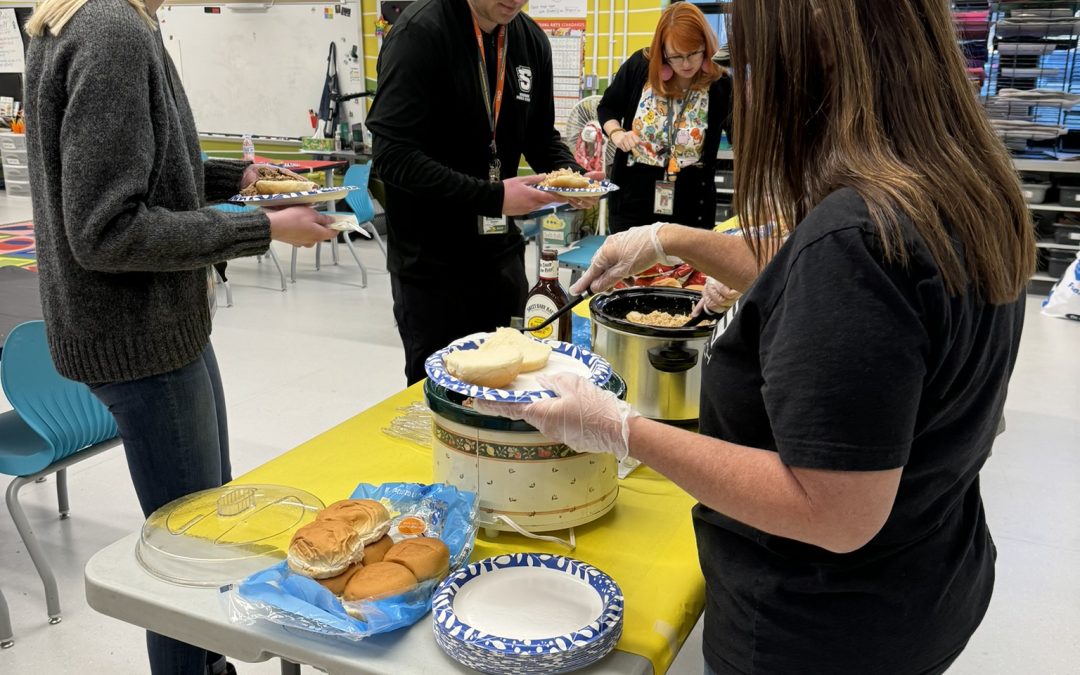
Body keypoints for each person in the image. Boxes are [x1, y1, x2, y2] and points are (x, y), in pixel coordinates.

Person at [476, 1, 1036, 673]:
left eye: (753, 60)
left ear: (817, 51)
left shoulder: (856, 240)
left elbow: (835, 510)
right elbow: (824, 274)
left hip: (816, 632)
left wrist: (619, 428)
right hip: (927, 582)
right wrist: (672, 239)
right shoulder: (957, 181)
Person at [23, 0, 338, 672]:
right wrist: (263, 228)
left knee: (208, 533)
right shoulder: (110, 33)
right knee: (189, 562)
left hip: (156, 334)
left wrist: (237, 178)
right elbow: (108, 229)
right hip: (142, 340)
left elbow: (144, 160)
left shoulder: (99, 21)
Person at [366, 0, 598, 385]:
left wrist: (574, 176)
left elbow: (541, 138)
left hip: (499, 258)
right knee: (442, 391)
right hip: (432, 266)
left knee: (511, 380)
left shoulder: (531, 40)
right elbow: (392, 157)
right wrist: (493, 197)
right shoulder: (419, 35)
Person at [597, 2, 731, 233]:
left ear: (706, 47)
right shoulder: (641, 66)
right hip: (632, 199)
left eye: (694, 53)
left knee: (685, 268)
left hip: (692, 204)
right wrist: (617, 134)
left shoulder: (720, 85)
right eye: (676, 56)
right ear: (662, 51)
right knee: (633, 266)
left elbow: (744, 137)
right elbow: (607, 107)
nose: (686, 64)